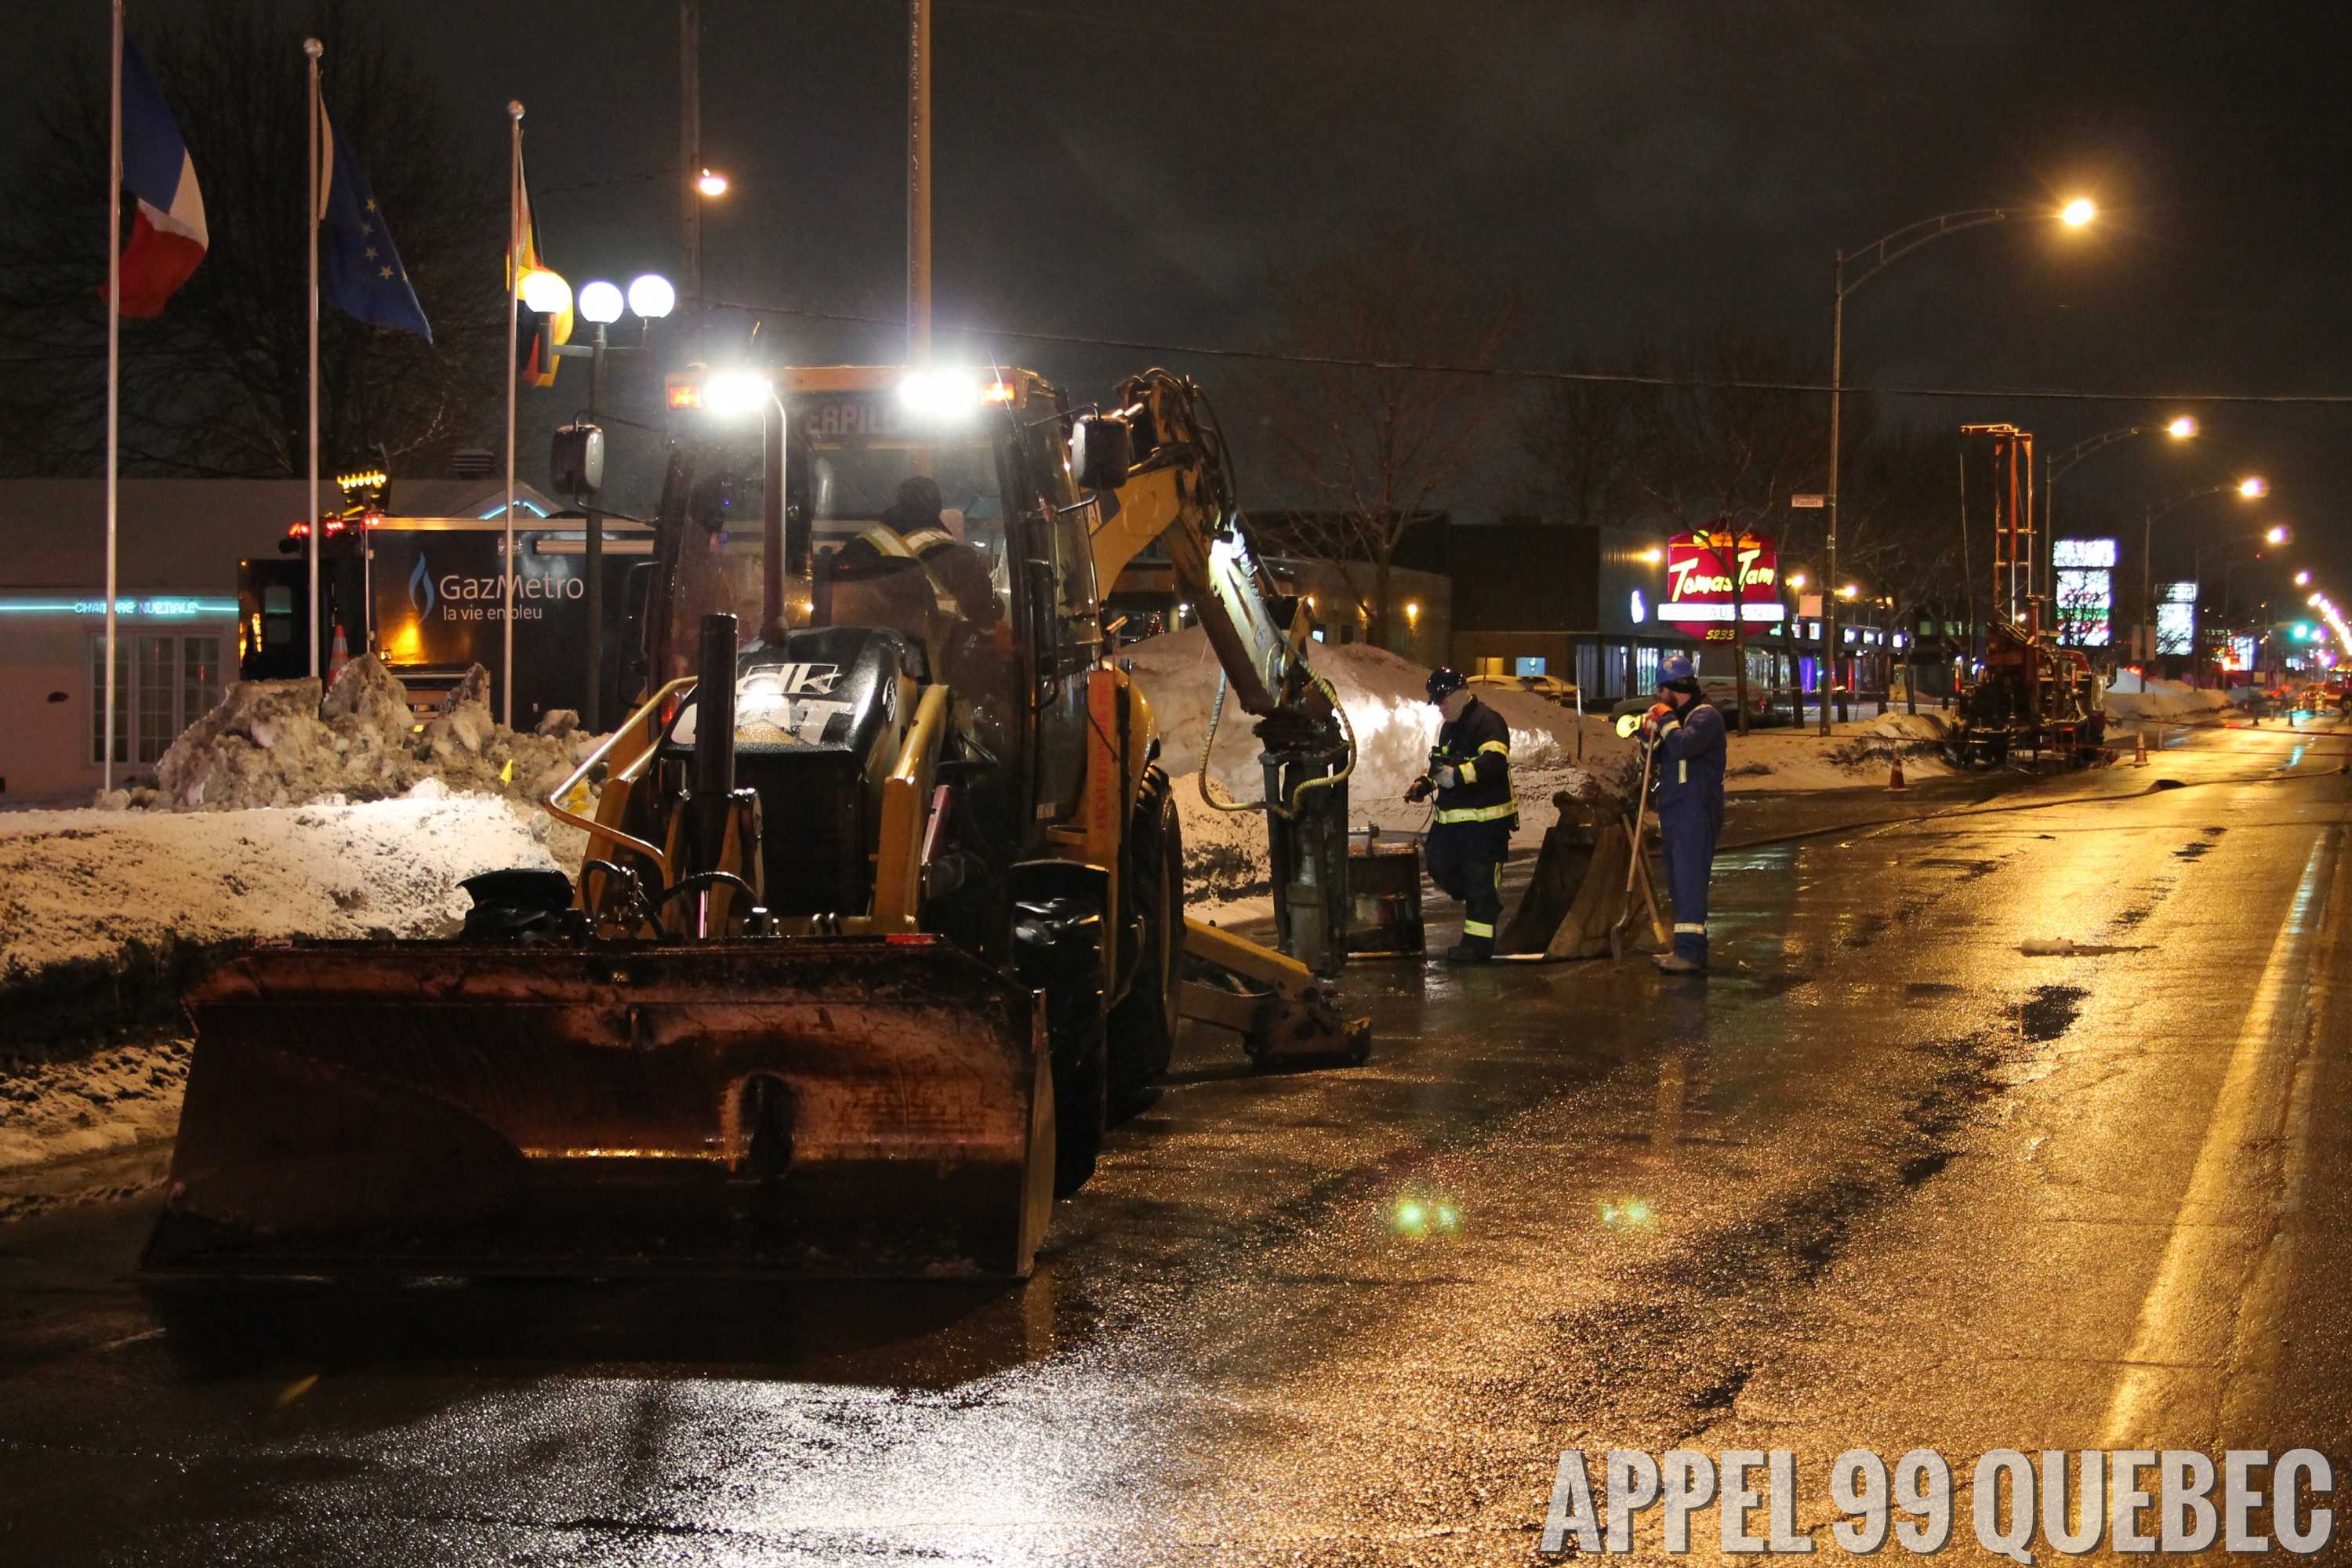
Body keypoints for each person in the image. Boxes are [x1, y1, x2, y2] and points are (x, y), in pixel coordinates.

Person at [1407, 666, 1517, 964]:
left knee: (1480, 881)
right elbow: (1441, 767)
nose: (1440, 707)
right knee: (1439, 864)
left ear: (1460, 694)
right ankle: (1481, 901)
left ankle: (1478, 946)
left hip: (1485, 825)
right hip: (1452, 825)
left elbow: (1495, 761)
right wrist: (1425, 783)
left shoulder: (1487, 721)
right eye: (1437, 702)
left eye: (1443, 700)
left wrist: (1457, 777)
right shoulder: (1449, 727)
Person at [1644, 652, 1726, 975]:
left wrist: (1664, 719)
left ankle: (1690, 954)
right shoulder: (1680, 719)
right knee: (1679, 881)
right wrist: (1647, 735)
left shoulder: (1706, 718)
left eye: (1660, 693)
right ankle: (1685, 948)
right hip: (1676, 809)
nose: (1658, 699)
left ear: (1670, 689)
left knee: (1690, 880)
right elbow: (1661, 754)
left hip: (1696, 809)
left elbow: (1682, 746)